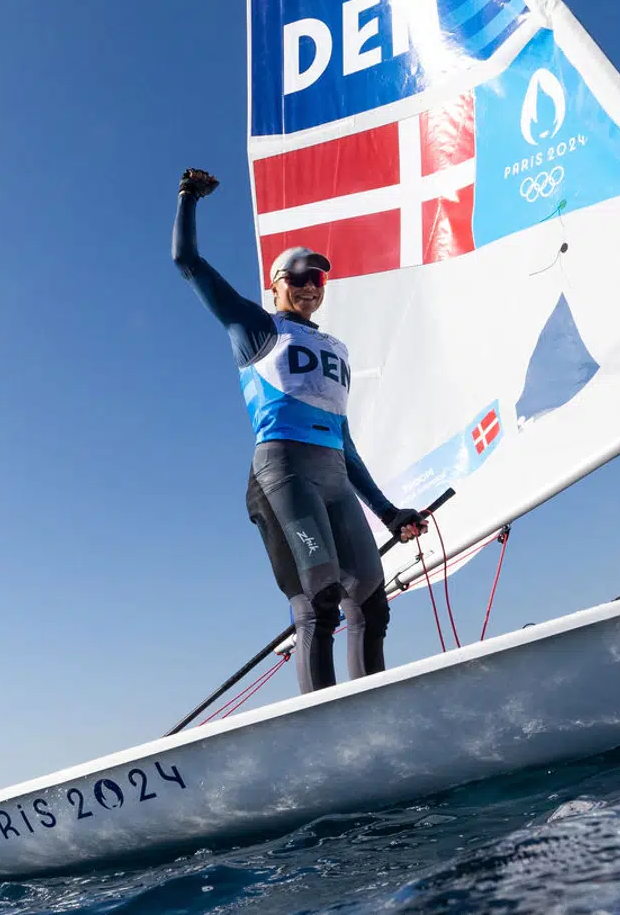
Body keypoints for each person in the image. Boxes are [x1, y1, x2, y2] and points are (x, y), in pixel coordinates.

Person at [172, 167, 428, 693]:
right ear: (276, 285)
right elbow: (188, 263)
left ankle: (371, 712)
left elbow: (345, 444)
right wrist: (188, 198)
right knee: (320, 600)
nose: (311, 286)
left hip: (333, 475)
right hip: (283, 476)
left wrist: (388, 512)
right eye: (298, 277)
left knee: (373, 602)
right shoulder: (258, 329)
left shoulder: (338, 351)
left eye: (319, 279)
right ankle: (324, 721)